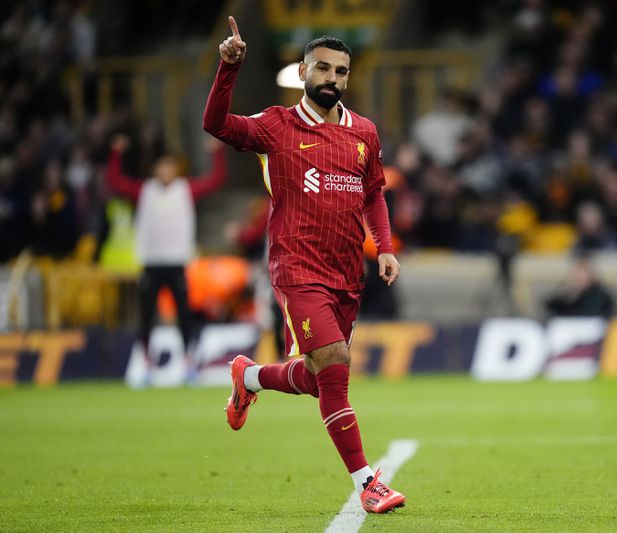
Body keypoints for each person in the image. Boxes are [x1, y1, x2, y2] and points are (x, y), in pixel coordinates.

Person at [203, 17, 405, 514]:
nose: (332, 78)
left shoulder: (364, 133)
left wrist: (385, 246)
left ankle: (248, 378)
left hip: (345, 274)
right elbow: (217, 125)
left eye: (341, 71)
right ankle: (367, 483)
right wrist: (228, 69)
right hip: (297, 268)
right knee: (335, 365)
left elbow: (374, 193)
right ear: (303, 71)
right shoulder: (277, 125)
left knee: (319, 378)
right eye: (322, 68)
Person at [106, 134, 227, 367]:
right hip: (151, 262)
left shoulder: (185, 189)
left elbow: (216, 180)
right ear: (154, 170)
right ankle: (145, 356)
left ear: (175, 169)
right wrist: (116, 154)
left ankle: (188, 356)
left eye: (169, 166)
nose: (165, 171)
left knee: (183, 312)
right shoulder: (145, 190)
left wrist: (216, 153)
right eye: (161, 167)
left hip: (176, 262)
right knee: (146, 313)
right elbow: (116, 182)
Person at [544, 254, 615, 318]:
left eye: (583, 274)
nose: (579, 278)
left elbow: (589, 311)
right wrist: (571, 294)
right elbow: (551, 305)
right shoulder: (569, 294)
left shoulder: (599, 295)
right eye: (577, 275)